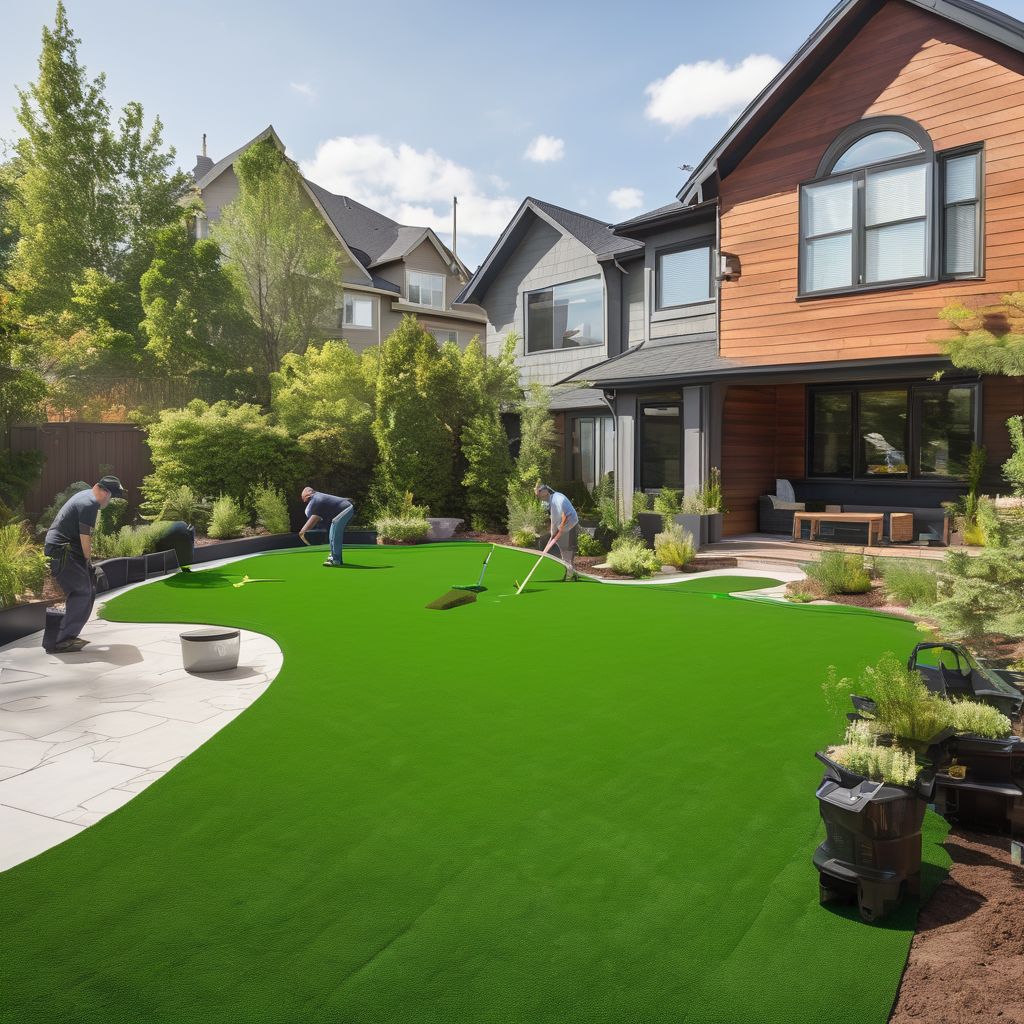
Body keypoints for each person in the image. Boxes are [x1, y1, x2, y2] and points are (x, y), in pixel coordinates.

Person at [43, 475, 126, 652]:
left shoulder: (86, 495)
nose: (110, 501)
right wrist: (88, 562)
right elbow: (85, 537)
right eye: (111, 496)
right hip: (62, 550)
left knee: (87, 591)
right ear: (104, 491)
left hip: (66, 549)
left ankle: (68, 636)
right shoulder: (90, 503)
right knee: (82, 591)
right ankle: (59, 640)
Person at [298, 487, 355, 567]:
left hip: (346, 509)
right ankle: (336, 558)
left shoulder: (316, 499)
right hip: (344, 510)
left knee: (335, 531)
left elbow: (312, 520)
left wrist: (302, 533)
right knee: (332, 532)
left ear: (308, 495)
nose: (306, 502)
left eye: (306, 500)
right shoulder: (318, 497)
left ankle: (335, 559)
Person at [535, 482, 579, 580]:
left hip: (569, 524)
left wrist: (557, 531)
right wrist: (555, 531)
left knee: (566, 549)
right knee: (565, 549)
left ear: (544, 492)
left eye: (538, 494)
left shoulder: (555, 500)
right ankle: (571, 572)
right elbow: (555, 518)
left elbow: (561, 516)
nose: (538, 497)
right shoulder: (554, 497)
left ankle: (570, 575)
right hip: (567, 523)